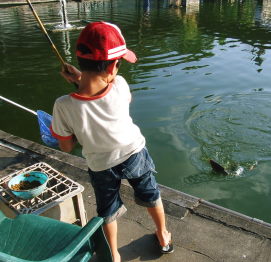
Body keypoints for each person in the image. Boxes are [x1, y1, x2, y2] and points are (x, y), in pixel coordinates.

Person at [50, 21, 173, 262]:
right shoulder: (120, 85)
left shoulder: (62, 105)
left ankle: (113, 255)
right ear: (113, 67)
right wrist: (81, 80)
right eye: (118, 63)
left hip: (101, 165)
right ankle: (162, 235)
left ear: (81, 61)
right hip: (134, 152)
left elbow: (66, 146)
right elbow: (106, 100)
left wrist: (77, 128)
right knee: (150, 193)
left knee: (108, 210)